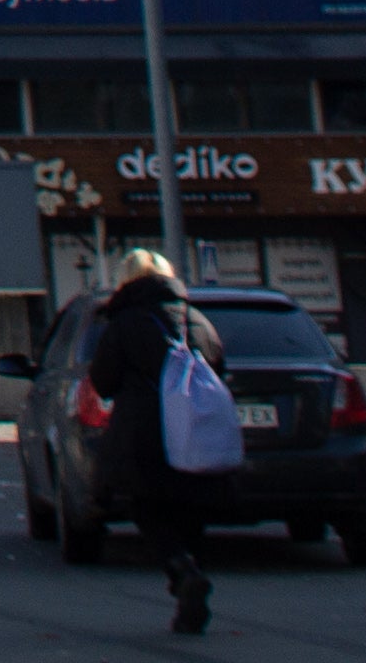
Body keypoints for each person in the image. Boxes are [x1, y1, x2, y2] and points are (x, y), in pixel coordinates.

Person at [80, 245, 225, 636]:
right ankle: (189, 583)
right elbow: (218, 365)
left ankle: (182, 569)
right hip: (196, 428)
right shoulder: (196, 319)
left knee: (147, 507)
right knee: (190, 506)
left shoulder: (124, 323)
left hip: (144, 432)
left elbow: (104, 381)